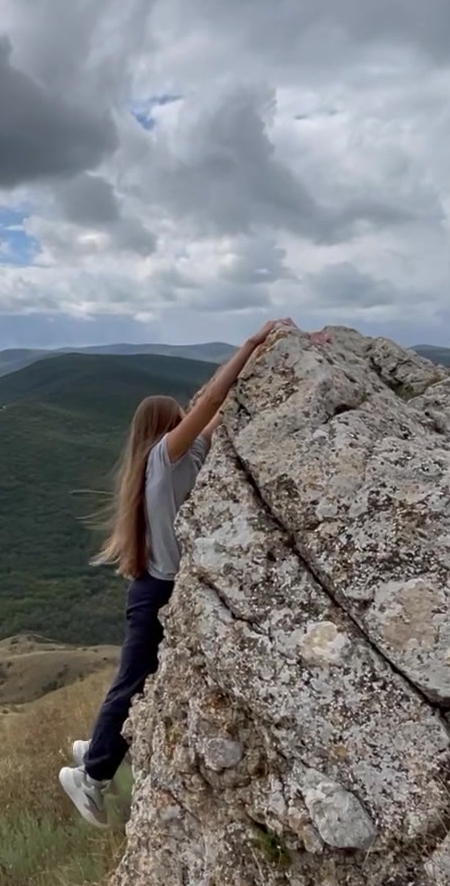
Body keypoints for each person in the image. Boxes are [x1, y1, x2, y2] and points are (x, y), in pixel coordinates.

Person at [58, 318, 328, 827]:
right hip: (158, 592)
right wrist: (249, 344)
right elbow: (208, 406)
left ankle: (96, 744)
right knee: (133, 682)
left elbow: (216, 412)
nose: (189, 417)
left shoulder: (166, 462)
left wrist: (278, 354)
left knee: (134, 678)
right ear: (166, 425)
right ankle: (90, 777)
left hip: (153, 588)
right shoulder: (165, 457)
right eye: (179, 416)